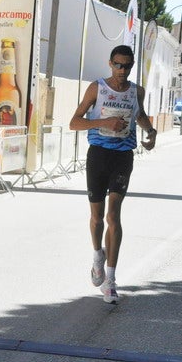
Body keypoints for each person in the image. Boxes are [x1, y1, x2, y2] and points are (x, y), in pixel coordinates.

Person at [70, 45, 156, 304]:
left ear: (131, 66)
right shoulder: (97, 88)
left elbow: (139, 115)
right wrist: (103, 123)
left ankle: (110, 280)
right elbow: (74, 122)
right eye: (118, 65)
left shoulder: (136, 91)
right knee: (97, 218)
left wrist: (150, 132)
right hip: (98, 154)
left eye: (127, 66)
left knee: (113, 215)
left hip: (123, 156)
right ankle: (98, 255)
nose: (122, 70)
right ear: (110, 64)